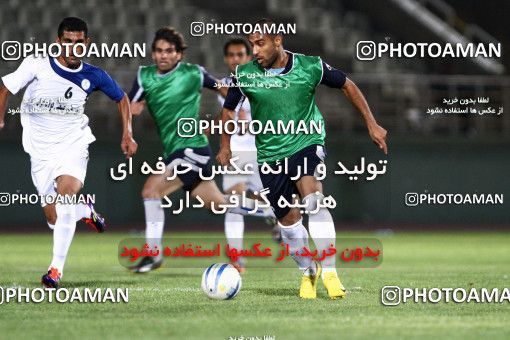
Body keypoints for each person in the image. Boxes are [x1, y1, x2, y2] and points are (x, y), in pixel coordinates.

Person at [216, 19, 388, 299]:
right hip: (270, 153)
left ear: (278, 40)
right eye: (252, 44)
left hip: (306, 142)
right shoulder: (244, 74)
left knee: (312, 197)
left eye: (260, 43)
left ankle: (331, 272)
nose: (255, 50)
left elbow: (348, 85)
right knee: (288, 222)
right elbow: (228, 108)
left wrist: (371, 123)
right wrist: (225, 145)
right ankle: (309, 272)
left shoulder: (310, 66)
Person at [0, 17, 138, 288]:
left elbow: (122, 98)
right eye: (68, 42)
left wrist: (128, 132)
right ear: (58, 43)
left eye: (79, 43)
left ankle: (55, 270)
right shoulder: (36, 64)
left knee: (65, 197)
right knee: (54, 217)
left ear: (86, 43)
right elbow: (5, 87)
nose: (74, 48)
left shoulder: (94, 75)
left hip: (73, 144)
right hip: (39, 151)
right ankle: (84, 211)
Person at [128, 27, 273, 273]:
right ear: (152, 53)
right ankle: (269, 209)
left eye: (169, 51)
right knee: (218, 205)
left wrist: (241, 105)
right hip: (175, 150)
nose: (163, 55)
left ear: (179, 54)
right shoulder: (144, 76)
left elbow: (224, 89)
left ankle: (153, 256)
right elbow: (128, 103)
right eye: (158, 50)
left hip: (192, 148)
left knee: (151, 191)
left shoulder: (194, 73)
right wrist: (130, 116)